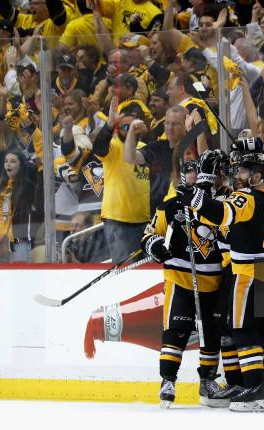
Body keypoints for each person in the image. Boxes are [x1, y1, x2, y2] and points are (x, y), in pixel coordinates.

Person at [177, 151, 264, 412]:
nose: (237, 174)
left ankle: (255, 390)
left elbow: (219, 212)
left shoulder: (247, 198)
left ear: (256, 175)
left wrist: (197, 192)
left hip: (250, 272)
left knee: (244, 330)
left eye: (243, 170)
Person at [141, 159, 226, 409]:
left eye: (198, 171)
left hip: (214, 280)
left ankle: (208, 381)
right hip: (180, 278)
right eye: (190, 171)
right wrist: (154, 245)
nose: (194, 175)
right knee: (176, 332)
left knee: (211, 334)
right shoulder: (172, 204)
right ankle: (167, 381)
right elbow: (149, 234)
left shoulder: (220, 202)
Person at [92, 97, 150, 264]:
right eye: (125, 127)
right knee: (125, 272)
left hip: (145, 222)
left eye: (134, 126)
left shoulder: (145, 150)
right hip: (119, 222)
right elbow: (99, 148)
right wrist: (109, 124)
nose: (130, 130)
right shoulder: (114, 146)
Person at [0, 150, 43, 263]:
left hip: (17, 240)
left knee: (20, 277)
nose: (8, 164)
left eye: (13, 161)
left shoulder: (27, 186)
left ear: (21, 165)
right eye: (6, 161)